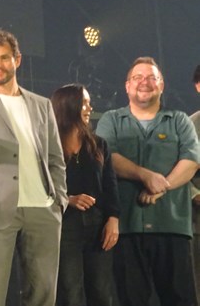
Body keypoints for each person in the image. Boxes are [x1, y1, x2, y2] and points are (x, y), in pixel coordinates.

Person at [0, 28, 67, 306]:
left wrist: (59, 201)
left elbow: (55, 158)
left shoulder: (42, 105)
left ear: (17, 60)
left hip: (43, 208)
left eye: (4, 57)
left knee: (43, 292)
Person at [96, 56, 200, 306]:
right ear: (127, 86)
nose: (145, 82)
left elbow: (191, 161)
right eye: (138, 77)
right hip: (127, 227)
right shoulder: (111, 120)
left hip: (173, 226)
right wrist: (145, 176)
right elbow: (106, 157)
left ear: (161, 85)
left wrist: (161, 187)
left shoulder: (180, 121)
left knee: (181, 299)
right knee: (131, 300)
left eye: (152, 78)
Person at [51, 84, 120, 306]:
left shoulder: (98, 144)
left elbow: (110, 185)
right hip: (65, 225)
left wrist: (113, 218)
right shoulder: (49, 144)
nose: (90, 108)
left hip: (98, 226)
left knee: (101, 292)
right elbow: (42, 184)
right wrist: (68, 199)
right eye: (84, 103)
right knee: (70, 292)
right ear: (68, 105)